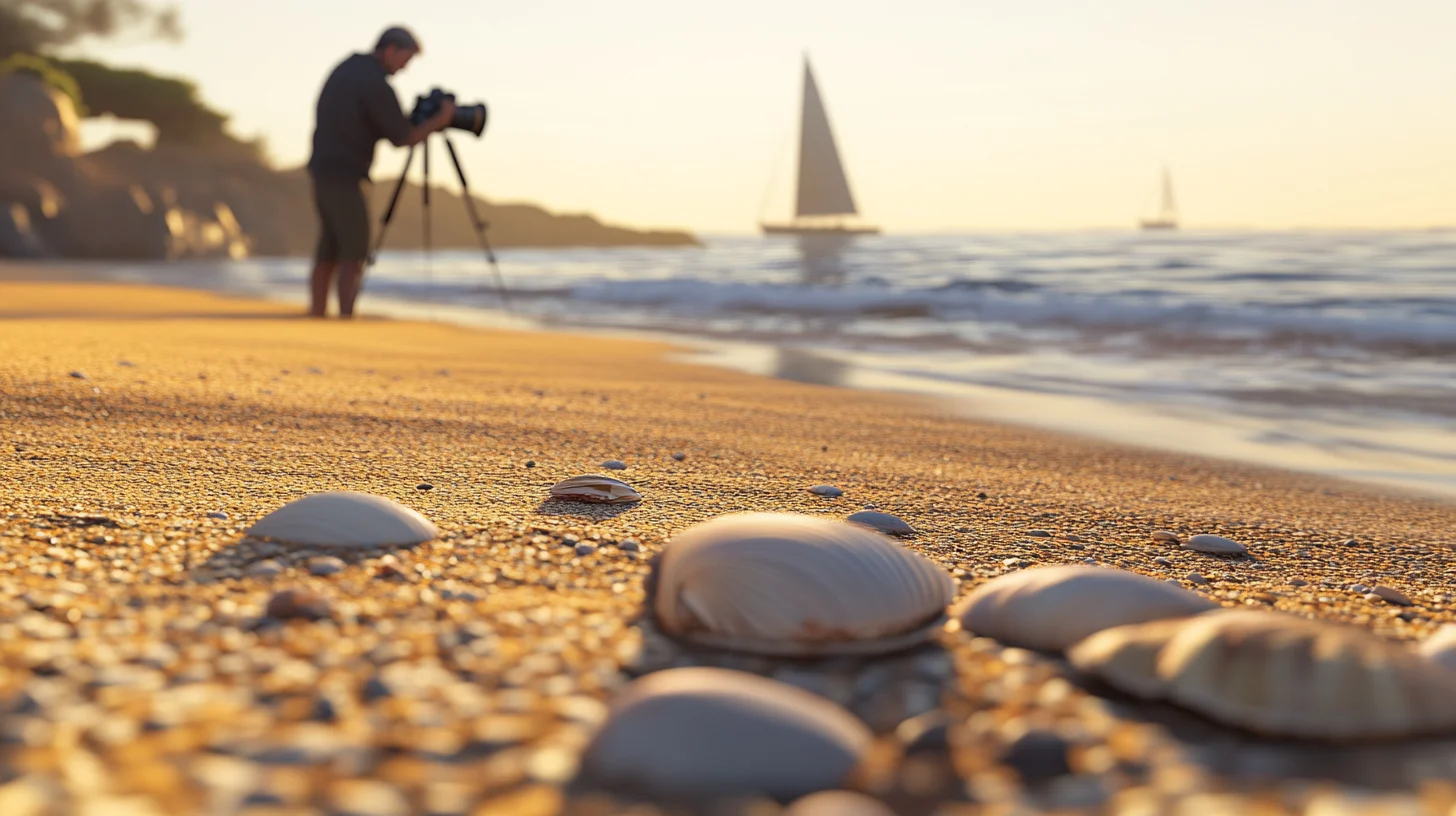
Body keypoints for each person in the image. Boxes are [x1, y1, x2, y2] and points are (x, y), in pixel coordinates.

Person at [305, 26, 456, 318]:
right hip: (346, 174)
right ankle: (345, 314)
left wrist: (419, 121)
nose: (404, 68)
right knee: (353, 248)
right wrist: (439, 120)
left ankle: (317, 311)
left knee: (330, 244)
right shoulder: (374, 83)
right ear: (390, 50)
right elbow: (403, 137)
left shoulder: (348, 68)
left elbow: (388, 125)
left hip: (323, 169)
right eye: (405, 59)